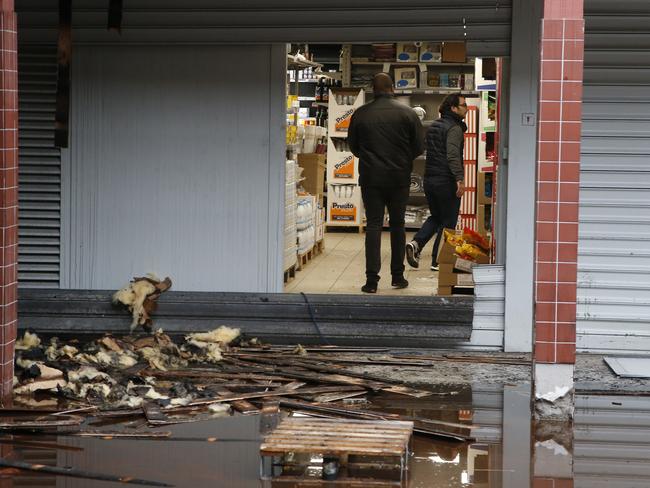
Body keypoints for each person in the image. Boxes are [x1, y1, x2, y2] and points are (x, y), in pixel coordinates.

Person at [348, 73, 425, 293]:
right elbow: (419, 147)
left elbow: (353, 147)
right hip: (399, 177)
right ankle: (397, 277)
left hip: (371, 178)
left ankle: (371, 281)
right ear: (392, 88)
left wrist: (371, 157)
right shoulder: (408, 114)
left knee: (373, 226)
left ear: (373, 89)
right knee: (398, 225)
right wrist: (401, 159)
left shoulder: (361, 114)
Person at [406, 93, 468, 271]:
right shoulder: (454, 128)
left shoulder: (434, 125)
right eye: (463, 105)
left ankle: (416, 244)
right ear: (453, 108)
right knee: (448, 221)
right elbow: (452, 155)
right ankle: (439, 261)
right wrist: (459, 179)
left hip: (430, 179)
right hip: (446, 180)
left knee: (436, 216)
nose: (467, 108)